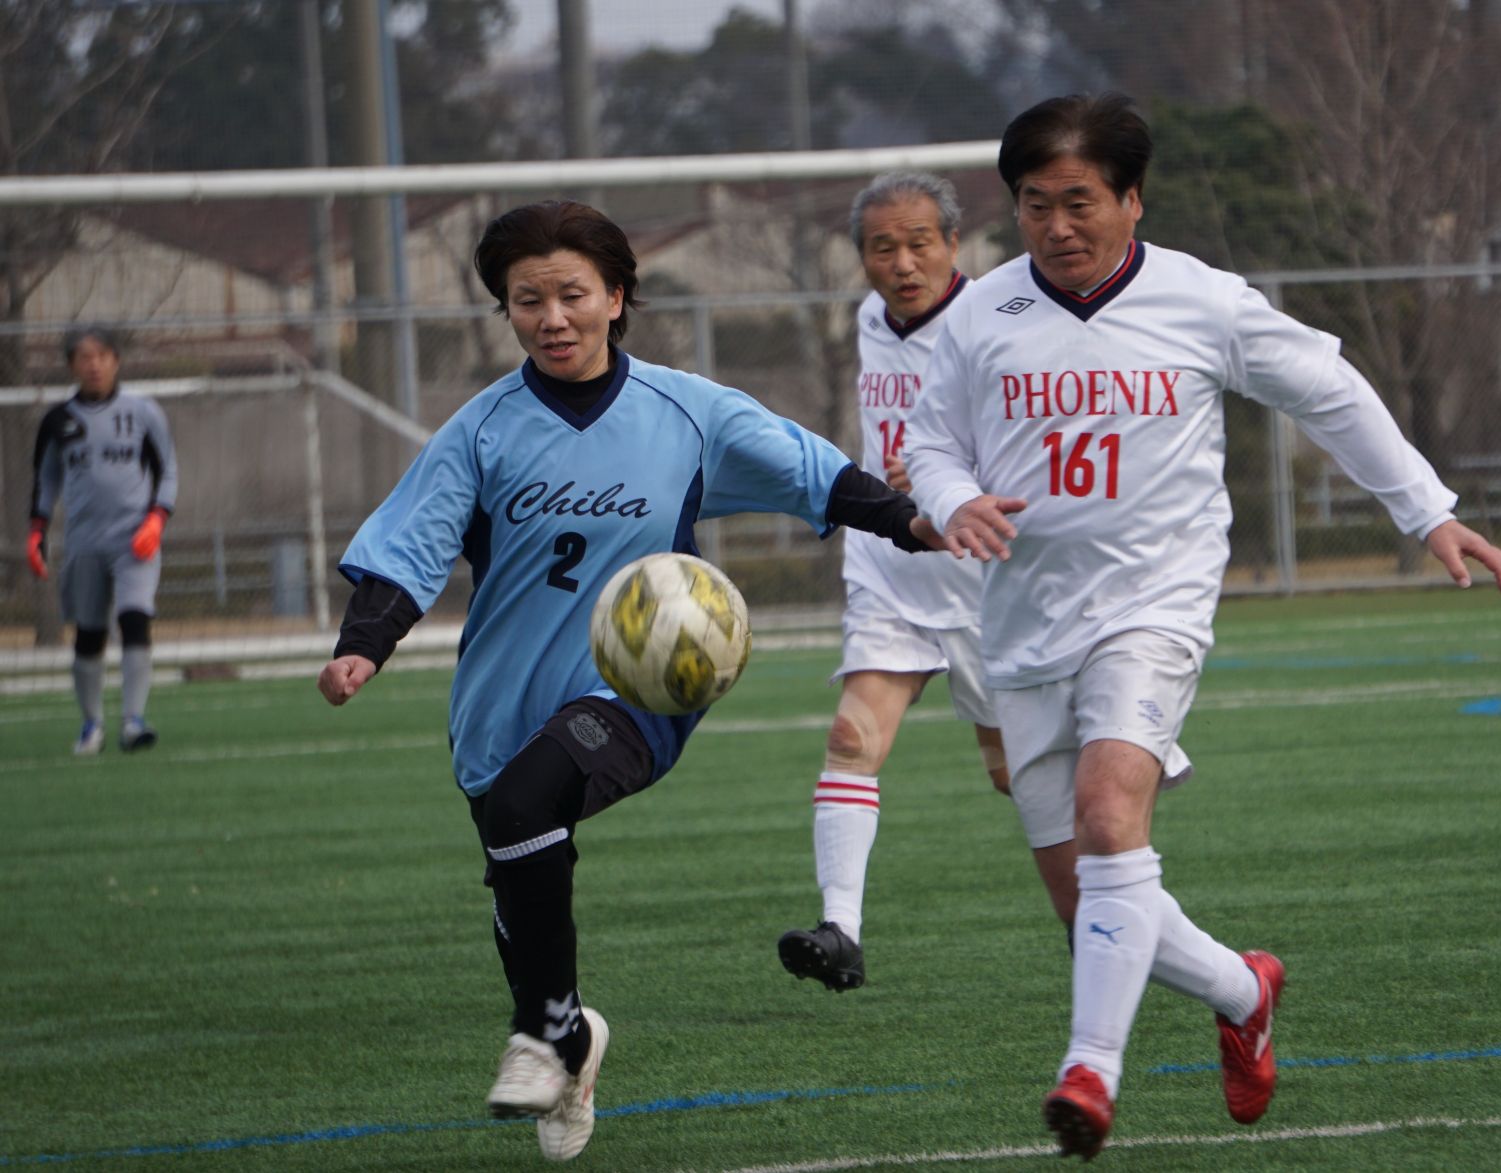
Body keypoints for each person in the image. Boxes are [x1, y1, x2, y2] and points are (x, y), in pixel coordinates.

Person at [904, 93, 1501, 1159]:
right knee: (1090, 907)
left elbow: (1328, 391)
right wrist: (954, 496)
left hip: (1154, 605)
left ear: (1133, 199)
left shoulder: (1203, 301)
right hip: (1023, 622)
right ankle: (1244, 991)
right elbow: (929, 442)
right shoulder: (979, 315)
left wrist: (1428, 511)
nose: (1057, 226)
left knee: (1111, 814)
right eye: (1035, 205)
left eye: (1080, 202)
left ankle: (1090, 1073)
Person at [315, 201, 958, 1164]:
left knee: (527, 806)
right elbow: (410, 545)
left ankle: (542, 1038)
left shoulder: (687, 412)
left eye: (573, 295)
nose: (553, 317)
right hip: (502, 704)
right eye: (528, 300)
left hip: (640, 691)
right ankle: (570, 1037)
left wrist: (910, 521)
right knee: (517, 855)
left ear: (616, 297)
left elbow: (814, 473)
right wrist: (363, 643)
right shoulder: (481, 430)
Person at [776, 172, 1024, 994]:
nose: (903, 262)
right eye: (883, 247)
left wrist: (952, 474)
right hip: (889, 569)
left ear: (954, 244)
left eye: (920, 243)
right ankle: (840, 929)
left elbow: (1033, 439)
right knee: (852, 740)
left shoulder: (997, 322)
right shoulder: (868, 318)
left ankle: (1118, 898)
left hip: (983, 583)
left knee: (1015, 774)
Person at [28, 326, 178, 755]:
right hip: (84, 542)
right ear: (72, 365)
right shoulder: (57, 420)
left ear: (116, 360)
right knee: (89, 634)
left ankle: (133, 721)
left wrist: (157, 518)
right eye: (84, 357)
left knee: (134, 619)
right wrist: (36, 530)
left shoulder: (144, 412)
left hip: (135, 540)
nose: (94, 364)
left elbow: (168, 469)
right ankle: (91, 724)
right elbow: (45, 480)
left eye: (101, 355)